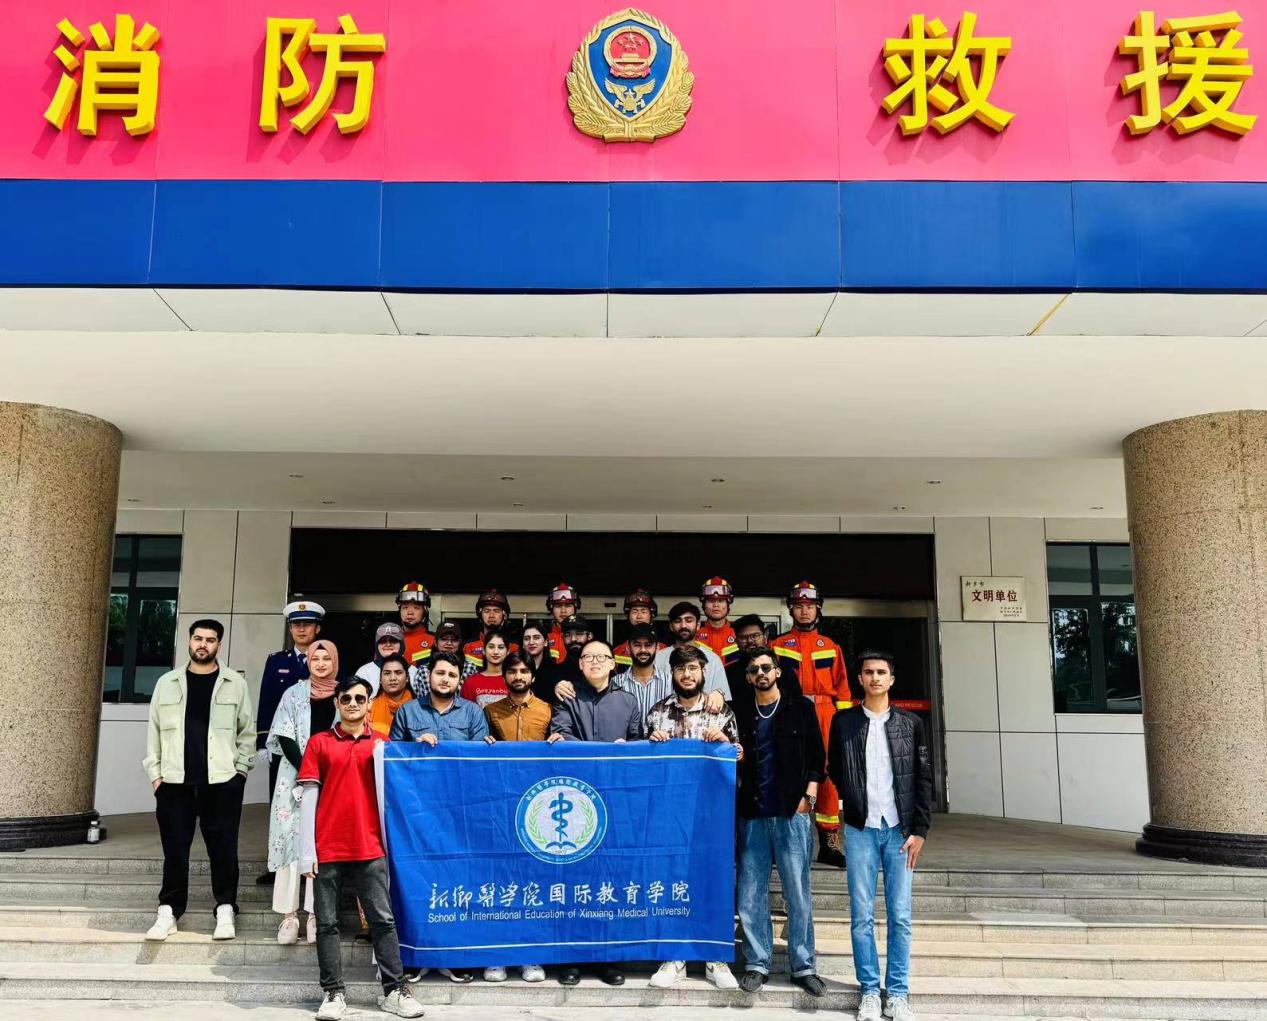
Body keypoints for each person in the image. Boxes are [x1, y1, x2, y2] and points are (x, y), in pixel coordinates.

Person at [297, 677, 425, 1020]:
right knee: (327, 924)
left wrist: (423, 745)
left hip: (371, 847)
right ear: (337, 703)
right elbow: (308, 799)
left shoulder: (382, 743)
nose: (353, 703)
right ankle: (333, 993)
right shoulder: (319, 743)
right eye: (346, 698)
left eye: (359, 698)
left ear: (370, 704)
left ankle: (394, 990)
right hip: (327, 848)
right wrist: (307, 852)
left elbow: (406, 782)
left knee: (383, 921)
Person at [828, 651, 933, 1021]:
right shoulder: (843, 722)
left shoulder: (911, 723)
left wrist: (920, 830)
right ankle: (870, 991)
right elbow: (835, 768)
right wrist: (853, 800)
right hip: (860, 830)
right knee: (861, 916)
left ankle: (898, 994)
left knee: (900, 915)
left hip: (899, 832)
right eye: (868, 672)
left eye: (881, 672)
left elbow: (923, 778)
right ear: (859, 678)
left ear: (891, 679)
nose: (875, 677)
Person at [143, 619, 253, 942]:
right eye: (198, 638)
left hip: (222, 782)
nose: (203, 644)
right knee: (175, 849)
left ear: (219, 644)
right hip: (174, 783)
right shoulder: (167, 683)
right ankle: (169, 911)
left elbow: (247, 732)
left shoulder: (234, 683)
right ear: (189, 641)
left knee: (224, 848)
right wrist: (156, 776)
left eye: (210, 639)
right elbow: (153, 732)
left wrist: (240, 773)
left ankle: (225, 908)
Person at [388, 650, 489, 983]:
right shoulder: (408, 711)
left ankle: (454, 956)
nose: (445, 679)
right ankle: (416, 956)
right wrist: (414, 748)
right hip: (417, 816)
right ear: (429, 676)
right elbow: (391, 758)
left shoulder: (473, 713)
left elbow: (479, 765)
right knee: (417, 884)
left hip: (460, 815)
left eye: (452, 675)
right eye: (440, 673)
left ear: (459, 681)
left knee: (458, 883)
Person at [645, 646, 742, 991]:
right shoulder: (658, 712)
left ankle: (716, 958)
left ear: (703, 672)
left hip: (711, 815)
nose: (687, 675)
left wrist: (725, 742)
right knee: (672, 881)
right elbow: (643, 769)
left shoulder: (722, 712)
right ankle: (675, 957)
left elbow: (739, 756)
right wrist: (651, 745)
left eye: (692, 668)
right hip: (669, 815)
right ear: (671, 674)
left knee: (713, 881)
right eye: (680, 669)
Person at [549, 638, 643, 988]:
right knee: (572, 879)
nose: (595, 662)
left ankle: (608, 957)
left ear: (613, 664)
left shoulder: (628, 701)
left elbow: (639, 742)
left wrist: (627, 749)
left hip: (616, 800)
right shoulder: (567, 696)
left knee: (609, 881)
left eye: (602, 657)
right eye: (588, 657)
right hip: (576, 799)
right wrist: (605, 751)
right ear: (580, 664)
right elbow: (559, 736)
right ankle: (570, 957)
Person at [733, 647, 826, 998]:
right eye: (754, 670)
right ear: (748, 678)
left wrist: (809, 797)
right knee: (751, 893)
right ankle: (757, 963)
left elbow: (817, 756)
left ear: (777, 671)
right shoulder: (741, 712)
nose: (760, 673)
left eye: (766, 667)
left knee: (797, 893)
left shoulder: (800, 708)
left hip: (791, 812)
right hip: (753, 813)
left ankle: (803, 965)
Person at [479, 651, 558, 984]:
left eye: (524, 670)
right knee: (499, 880)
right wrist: (481, 744)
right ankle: (497, 954)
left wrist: (560, 742)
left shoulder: (549, 710)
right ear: (505, 677)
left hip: (538, 808)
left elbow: (561, 752)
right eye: (512, 671)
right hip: (500, 806)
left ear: (533, 676)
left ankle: (531, 955)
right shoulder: (489, 712)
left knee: (534, 882)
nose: (518, 676)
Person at [774, 581, 852, 867]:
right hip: (791, 711)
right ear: (790, 609)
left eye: (809, 606)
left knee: (828, 775)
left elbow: (842, 688)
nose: (804, 611)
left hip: (825, 712)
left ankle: (829, 841)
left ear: (818, 609)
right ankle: (784, 839)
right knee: (788, 769)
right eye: (799, 606)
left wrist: (844, 725)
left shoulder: (830, 646)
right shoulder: (778, 645)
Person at [267, 639, 339, 946]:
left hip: (332, 779)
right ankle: (288, 916)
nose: (321, 664)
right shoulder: (293, 693)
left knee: (320, 845)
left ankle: (314, 914)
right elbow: (284, 735)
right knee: (288, 841)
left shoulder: (344, 695)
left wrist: (323, 771)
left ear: (335, 661)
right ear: (307, 662)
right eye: (315, 658)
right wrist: (307, 768)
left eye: (326, 658)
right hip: (294, 776)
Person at [255, 600, 323, 886]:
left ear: (317, 628)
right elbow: (267, 700)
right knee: (281, 807)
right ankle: (278, 866)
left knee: (316, 805)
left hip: (317, 746)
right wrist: (262, 741)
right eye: (296, 624)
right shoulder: (277, 661)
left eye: (307, 624)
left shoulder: (326, 658)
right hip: (284, 748)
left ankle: (313, 862)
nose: (301, 629)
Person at [729, 614, 804, 725]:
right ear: (736, 641)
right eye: (743, 638)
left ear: (765, 636)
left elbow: (798, 707)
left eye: (755, 636)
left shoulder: (784, 670)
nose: (750, 641)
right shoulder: (729, 673)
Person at [654, 602, 731, 709]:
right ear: (671, 626)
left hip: (704, 717)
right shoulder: (658, 658)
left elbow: (722, 698)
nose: (683, 625)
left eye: (689, 620)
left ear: (698, 625)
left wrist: (719, 694)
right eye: (678, 621)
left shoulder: (712, 659)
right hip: (664, 716)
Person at [608, 622, 673, 724]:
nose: (643, 650)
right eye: (637, 645)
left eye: (648, 645)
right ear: (628, 648)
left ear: (657, 648)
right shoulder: (615, 683)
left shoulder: (670, 682)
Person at [532, 614, 590, 703]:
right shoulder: (550, 673)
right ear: (562, 638)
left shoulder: (600, 669)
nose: (573, 639)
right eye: (568, 635)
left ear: (589, 636)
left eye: (579, 633)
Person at [462, 589, 515, 678]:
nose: (491, 615)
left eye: (496, 611)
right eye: (487, 611)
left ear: (504, 614)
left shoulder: (515, 647)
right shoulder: (467, 646)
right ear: (480, 614)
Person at [612, 588, 664, 667]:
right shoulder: (618, 652)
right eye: (635, 612)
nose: (639, 616)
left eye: (643, 611)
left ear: (652, 616)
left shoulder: (664, 650)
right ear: (627, 616)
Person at [696, 577, 740, 668]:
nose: (716, 605)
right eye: (711, 600)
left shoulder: (738, 631)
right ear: (703, 605)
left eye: (721, 600)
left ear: (728, 604)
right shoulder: (694, 631)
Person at [460, 629, 511, 708]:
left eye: (500, 647)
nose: (496, 652)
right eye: (491, 647)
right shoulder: (470, 682)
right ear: (483, 650)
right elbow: (465, 712)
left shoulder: (513, 680)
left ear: (508, 652)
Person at [412, 620, 461, 701]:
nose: (449, 643)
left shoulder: (470, 668)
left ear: (459, 643)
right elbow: (420, 702)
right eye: (444, 639)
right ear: (435, 642)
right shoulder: (424, 670)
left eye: (454, 639)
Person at [368, 653, 414, 738]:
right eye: (387, 673)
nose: (392, 678)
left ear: (407, 678)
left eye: (398, 673)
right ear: (380, 679)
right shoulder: (368, 708)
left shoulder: (419, 709)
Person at [355, 622, 405, 697]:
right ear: (377, 645)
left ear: (401, 645)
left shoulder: (413, 671)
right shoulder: (364, 672)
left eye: (393, 640)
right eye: (383, 641)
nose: (388, 644)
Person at [396, 582, 435, 674]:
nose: (410, 612)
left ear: (425, 611)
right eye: (405, 607)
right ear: (399, 610)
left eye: (416, 608)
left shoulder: (434, 640)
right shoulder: (388, 640)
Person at [544, 582, 580, 662]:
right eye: (558, 606)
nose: (563, 611)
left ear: (575, 607)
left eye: (568, 605)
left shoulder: (584, 634)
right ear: (551, 608)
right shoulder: (543, 635)